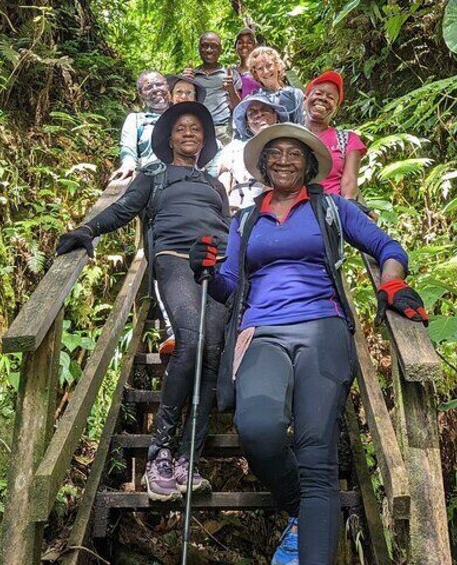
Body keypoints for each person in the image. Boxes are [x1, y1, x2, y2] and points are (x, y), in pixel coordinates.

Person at [187, 123, 428, 564]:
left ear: (309, 164)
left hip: (323, 327)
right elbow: (229, 286)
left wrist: (392, 284)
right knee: (258, 428)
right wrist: (203, 268)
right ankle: (305, 510)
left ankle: (312, 522)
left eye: (293, 154)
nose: (283, 160)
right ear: (261, 165)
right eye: (274, 153)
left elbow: (387, 246)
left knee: (317, 451)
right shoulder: (245, 218)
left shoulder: (331, 208)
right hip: (261, 332)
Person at [57, 102, 230, 501]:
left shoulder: (215, 186)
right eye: (181, 128)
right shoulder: (154, 175)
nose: (189, 133)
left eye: (197, 129)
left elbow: (230, 228)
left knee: (214, 352)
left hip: (218, 265)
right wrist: (88, 229)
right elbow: (123, 209)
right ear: (168, 138)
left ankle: (189, 458)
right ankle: (160, 453)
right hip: (174, 261)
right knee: (192, 340)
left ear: (204, 141)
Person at [217, 93, 287, 211]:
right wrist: (225, 207)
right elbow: (224, 178)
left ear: (276, 116)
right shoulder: (234, 148)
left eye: (265, 110)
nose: (259, 114)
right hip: (238, 209)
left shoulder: (289, 145)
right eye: (252, 113)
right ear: (247, 124)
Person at [304, 71, 367, 200]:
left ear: (335, 109)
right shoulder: (289, 135)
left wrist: (348, 214)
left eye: (331, 98)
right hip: (294, 209)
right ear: (305, 100)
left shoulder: (348, 140)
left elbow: (349, 184)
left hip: (332, 210)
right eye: (318, 93)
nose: (323, 98)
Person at [110, 70, 170, 182]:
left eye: (159, 84)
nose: (156, 89)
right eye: (148, 87)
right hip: (152, 177)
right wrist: (128, 164)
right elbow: (128, 147)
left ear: (168, 87)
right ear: (141, 95)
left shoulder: (183, 115)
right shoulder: (136, 119)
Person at [184, 31, 233, 145]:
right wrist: (184, 82)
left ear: (220, 50)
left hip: (222, 129)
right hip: (196, 129)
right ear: (199, 49)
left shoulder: (229, 74)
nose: (209, 50)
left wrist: (231, 90)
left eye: (214, 46)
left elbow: (238, 107)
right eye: (205, 46)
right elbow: (181, 102)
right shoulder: (191, 75)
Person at [246, 46, 305, 125]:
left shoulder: (295, 94)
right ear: (255, 73)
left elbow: (304, 123)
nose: (266, 71)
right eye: (260, 68)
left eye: (269, 65)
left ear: (277, 65)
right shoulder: (253, 100)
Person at [227, 27, 261, 104]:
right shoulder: (231, 72)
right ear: (235, 47)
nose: (244, 45)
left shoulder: (261, 70)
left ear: (255, 46)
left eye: (249, 42)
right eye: (240, 42)